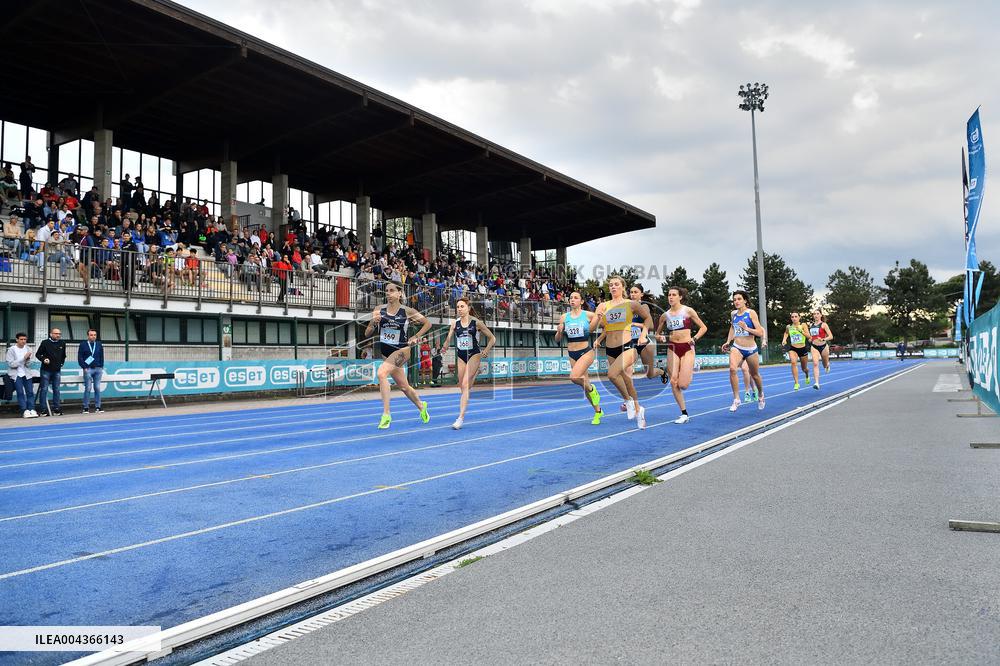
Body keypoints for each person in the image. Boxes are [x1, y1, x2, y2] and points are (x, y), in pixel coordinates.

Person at [364, 282, 432, 429]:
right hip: (386, 352)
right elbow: (367, 333)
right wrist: (373, 323)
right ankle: (422, 406)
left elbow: (427, 323)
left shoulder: (407, 311)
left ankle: (386, 415)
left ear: (400, 293)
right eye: (387, 291)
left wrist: (416, 336)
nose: (388, 293)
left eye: (392, 290)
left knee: (381, 373)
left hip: (402, 350)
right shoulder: (378, 310)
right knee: (404, 387)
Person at [592, 275, 653, 429]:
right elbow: (593, 328)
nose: (613, 286)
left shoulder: (631, 304)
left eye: (616, 284)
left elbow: (648, 320)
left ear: (622, 287)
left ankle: (628, 401)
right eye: (611, 284)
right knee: (626, 380)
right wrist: (598, 318)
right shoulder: (603, 306)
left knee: (612, 374)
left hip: (627, 345)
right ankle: (638, 409)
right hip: (610, 349)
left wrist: (643, 334)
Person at [441, 297, 496, 429]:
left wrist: (486, 350)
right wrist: (445, 346)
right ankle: (475, 373)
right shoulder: (455, 323)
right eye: (458, 307)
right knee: (463, 386)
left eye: (462, 306)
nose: (459, 309)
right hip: (461, 356)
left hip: (474, 355)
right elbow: (448, 339)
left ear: (468, 308)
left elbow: (492, 338)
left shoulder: (476, 323)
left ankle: (460, 418)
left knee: (465, 385)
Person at [656, 286, 707, 424]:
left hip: (687, 347)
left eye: (674, 295)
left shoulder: (688, 311)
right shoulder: (665, 315)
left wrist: (695, 338)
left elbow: (703, 327)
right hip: (673, 348)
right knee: (673, 381)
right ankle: (684, 413)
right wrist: (660, 337)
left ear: (680, 297)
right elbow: (657, 334)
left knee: (683, 385)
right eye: (669, 295)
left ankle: (693, 365)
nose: (671, 297)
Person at [554, 291, 603, 424]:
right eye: (571, 298)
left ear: (581, 301)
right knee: (584, 384)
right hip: (572, 353)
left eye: (576, 298)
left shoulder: (588, 315)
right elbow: (557, 339)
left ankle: (593, 389)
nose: (572, 300)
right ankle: (598, 411)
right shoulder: (564, 317)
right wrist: (559, 331)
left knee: (574, 377)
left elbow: (604, 327)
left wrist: (599, 339)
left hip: (586, 351)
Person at [722, 290, 766, 412]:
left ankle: (761, 394)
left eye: (739, 299)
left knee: (755, 375)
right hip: (737, 347)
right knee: (732, 369)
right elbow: (732, 328)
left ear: (745, 300)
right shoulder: (733, 314)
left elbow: (760, 332)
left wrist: (747, 328)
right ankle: (736, 399)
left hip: (751, 349)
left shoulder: (751, 313)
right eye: (734, 300)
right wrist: (728, 341)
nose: (736, 301)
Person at [628, 284, 667, 385]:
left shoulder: (644, 306)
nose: (633, 294)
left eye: (635, 292)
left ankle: (662, 372)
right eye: (631, 292)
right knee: (627, 368)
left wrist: (634, 324)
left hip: (643, 344)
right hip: (630, 343)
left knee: (650, 374)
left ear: (641, 294)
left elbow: (651, 326)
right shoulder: (627, 308)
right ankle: (629, 394)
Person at [34, 327, 66, 416]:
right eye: (56, 333)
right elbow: (38, 354)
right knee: (44, 389)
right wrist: (44, 359)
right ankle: (43, 410)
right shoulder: (45, 342)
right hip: (46, 370)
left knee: (57, 389)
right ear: (51, 334)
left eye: (59, 334)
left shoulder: (62, 343)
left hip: (57, 370)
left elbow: (63, 355)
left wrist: (61, 364)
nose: (58, 335)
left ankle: (56, 409)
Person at [6, 332, 37, 418]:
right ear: (17, 340)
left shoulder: (28, 349)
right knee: (20, 392)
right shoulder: (11, 350)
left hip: (27, 374)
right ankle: (24, 410)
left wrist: (28, 360)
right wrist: (23, 358)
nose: (23, 341)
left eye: (25, 339)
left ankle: (31, 409)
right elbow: (11, 364)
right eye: (21, 339)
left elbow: (29, 364)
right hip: (16, 375)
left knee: (30, 392)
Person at [781, 312, 811, 390]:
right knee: (793, 363)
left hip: (802, 348)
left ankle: (807, 374)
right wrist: (784, 340)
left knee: (804, 368)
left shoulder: (803, 325)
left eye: (796, 316)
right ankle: (796, 383)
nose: (794, 318)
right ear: (791, 318)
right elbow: (786, 333)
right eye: (792, 317)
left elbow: (809, 336)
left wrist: (801, 331)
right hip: (793, 348)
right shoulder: (789, 326)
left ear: (799, 317)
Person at [79, 328, 105, 413]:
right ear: (88, 336)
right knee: (88, 388)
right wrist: (84, 367)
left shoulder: (99, 344)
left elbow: (102, 356)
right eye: (91, 335)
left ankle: (98, 407)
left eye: (94, 335)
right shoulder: (83, 344)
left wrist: (101, 366)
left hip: (98, 369)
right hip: (88, 369)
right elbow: (80, 357)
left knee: (97, 388)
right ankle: (86, 407)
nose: (93, 336)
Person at [808, 309, 833, 387]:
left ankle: (827, 365)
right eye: (814, 314)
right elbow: (811, 336)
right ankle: (816, 383)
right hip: (814, 347)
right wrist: (810, 339)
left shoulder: (824, 325)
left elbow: (831, 336)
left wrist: (823, 339)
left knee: (824, 364)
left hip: (823, 346)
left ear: (821, 315)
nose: (816, 315)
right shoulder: (810, 325)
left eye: (817, 313)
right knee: (815, 364)